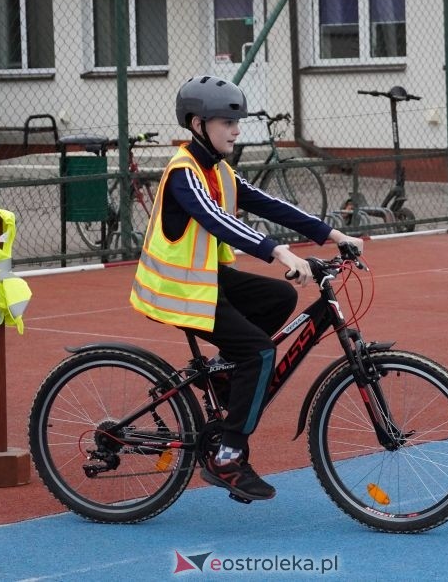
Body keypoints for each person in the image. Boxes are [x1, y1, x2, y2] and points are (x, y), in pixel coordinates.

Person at [130, 75, 363, 502]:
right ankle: (227, 455)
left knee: (282, 297)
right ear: (199, 124)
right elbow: (220, 223)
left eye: (238, 122)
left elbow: (267, 204)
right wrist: (280, 253)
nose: (237, 130)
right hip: (177, 290)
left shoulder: (218, 169)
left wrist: (332, 234)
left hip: (203, 283)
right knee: (259, 353)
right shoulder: (184, 173)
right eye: (227, 122)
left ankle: (223, 376)